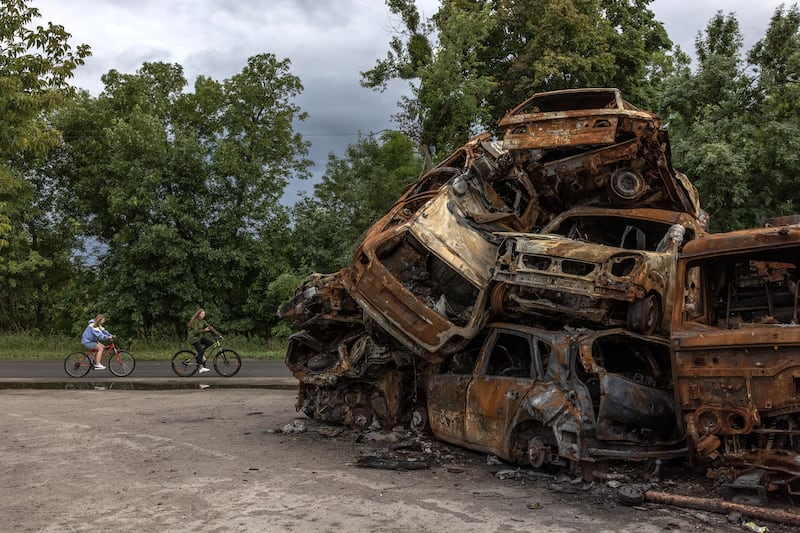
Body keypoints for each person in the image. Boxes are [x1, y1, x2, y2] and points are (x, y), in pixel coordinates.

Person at [187, 308, 219, 374]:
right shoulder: (196, 321)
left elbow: (210, 327)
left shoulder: (203, 321)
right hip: (193, 338)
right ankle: (201, 368)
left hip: (199, 337)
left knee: (211, 343)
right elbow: (195, 331)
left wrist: (218, 335)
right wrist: (204, 330)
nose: (203, 315)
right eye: (202, 314)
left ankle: (201, 355)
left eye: (204, 314)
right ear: (198, 315)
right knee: (200, 351)